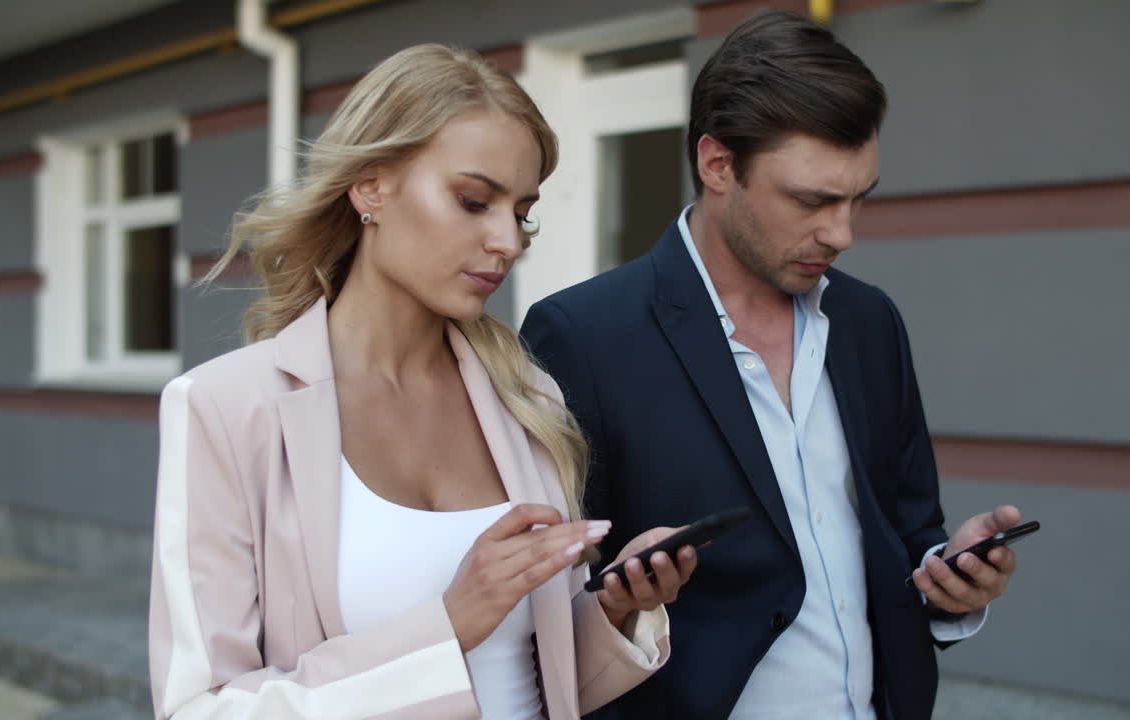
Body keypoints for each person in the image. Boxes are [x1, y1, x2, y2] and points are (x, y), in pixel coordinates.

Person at [147, 43, 698, 720]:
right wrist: (447, 626)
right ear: (370, 186)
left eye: (521, 212)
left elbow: (532, 681)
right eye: (474, 201)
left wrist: (616, 610)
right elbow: (198, 710)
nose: (508, 241)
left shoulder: (525, 397)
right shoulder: (226, 409)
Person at [520, 11, 1020, 720]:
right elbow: (550, 609)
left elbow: (908, 529)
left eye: (858, 199)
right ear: (717, 164)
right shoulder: (583, 336)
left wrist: (951, 575)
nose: (842, 233)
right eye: (813, 200)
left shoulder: (869, 323)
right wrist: (618, 598)